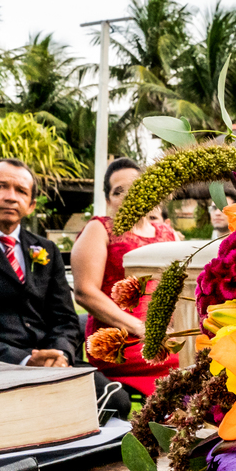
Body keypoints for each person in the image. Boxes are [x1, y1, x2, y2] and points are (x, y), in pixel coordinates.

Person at [0, 158, 130, 419]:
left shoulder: (46, 250)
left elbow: (65, 319)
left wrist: (61, 355)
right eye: (0, 187)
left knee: (116, 401)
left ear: (31, 205)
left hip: (54, 367)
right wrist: (25, 360)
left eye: (21, 191)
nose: (11, 197)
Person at [70, 157, 179, 397]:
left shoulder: (168, 233)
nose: (129, 195)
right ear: (109, 200)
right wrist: (141, 329)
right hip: (121, 340)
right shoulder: (99, 229)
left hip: (167, 334)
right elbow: (85, 292)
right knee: (188, 359)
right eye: (119, 191)